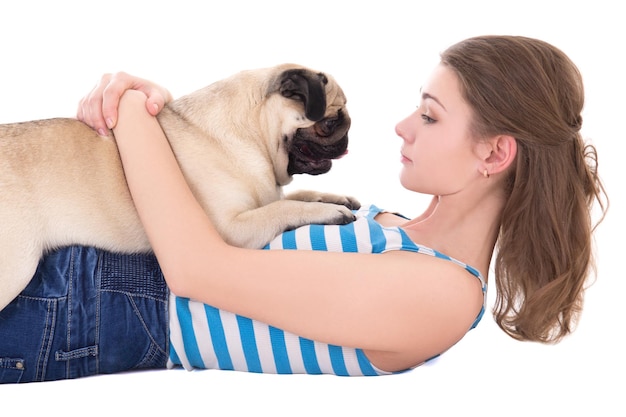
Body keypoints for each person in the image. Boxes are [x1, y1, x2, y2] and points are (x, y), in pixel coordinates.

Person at [0, 35, 607, 383]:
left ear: (494, 152)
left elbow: (197, 269)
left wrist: (134, 112)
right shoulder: (394, 231)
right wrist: (168, 119)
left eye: (429, 114)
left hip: (81, 307)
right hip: (66, 245)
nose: (401, 126)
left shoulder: (447, 294)